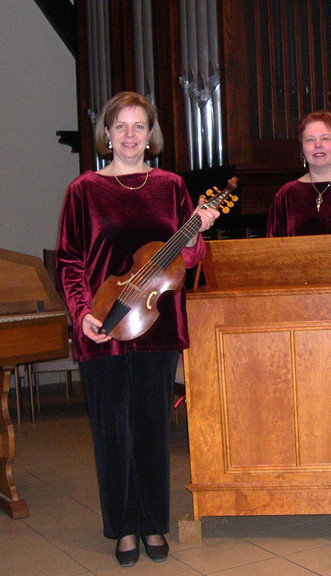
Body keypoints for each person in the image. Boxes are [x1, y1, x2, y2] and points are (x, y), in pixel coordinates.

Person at [55, 92, 219, 567]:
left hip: (156, 324)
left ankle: (152, 524)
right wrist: (83, 312)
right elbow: (69, 260)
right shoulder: (83, 190)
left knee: (151, 428)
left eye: (139, 127)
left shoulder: (170, 186)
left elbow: (188, 262)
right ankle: (123, 528)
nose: (130, 135)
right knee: (112, 431)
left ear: (152, 135)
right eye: (121, 126)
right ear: (106, 134)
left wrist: (197, 233)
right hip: (102, 323)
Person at [266, 111, 331, 236]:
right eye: (310, 140)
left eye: (325, 138)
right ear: (302, 148)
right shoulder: (286, 196)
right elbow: (272, 248)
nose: (318, 145)